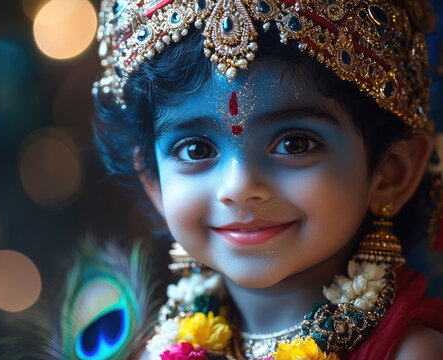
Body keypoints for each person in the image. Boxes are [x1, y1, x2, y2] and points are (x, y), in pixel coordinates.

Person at [87, 0, 443, 359]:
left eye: (294, 144)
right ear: (154, 185)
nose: (239, 187)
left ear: (391, 174)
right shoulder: (157, 351)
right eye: (196, 150)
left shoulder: (412, 352)